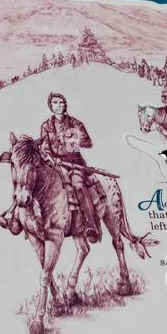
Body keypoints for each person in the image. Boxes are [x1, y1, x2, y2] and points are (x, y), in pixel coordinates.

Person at [38, 93, 101, 242]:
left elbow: (88, 143)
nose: (59, 105)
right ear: (51, 106)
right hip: (54, 165)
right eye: (56, 103)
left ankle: (91, 225)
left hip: (74, 163)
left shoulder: (75, 123)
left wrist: (74, 138)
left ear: (65, 105)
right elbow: (44, 147)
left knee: (78, 186)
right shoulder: (46, 126)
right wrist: (50, 157)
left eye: (62, 102)